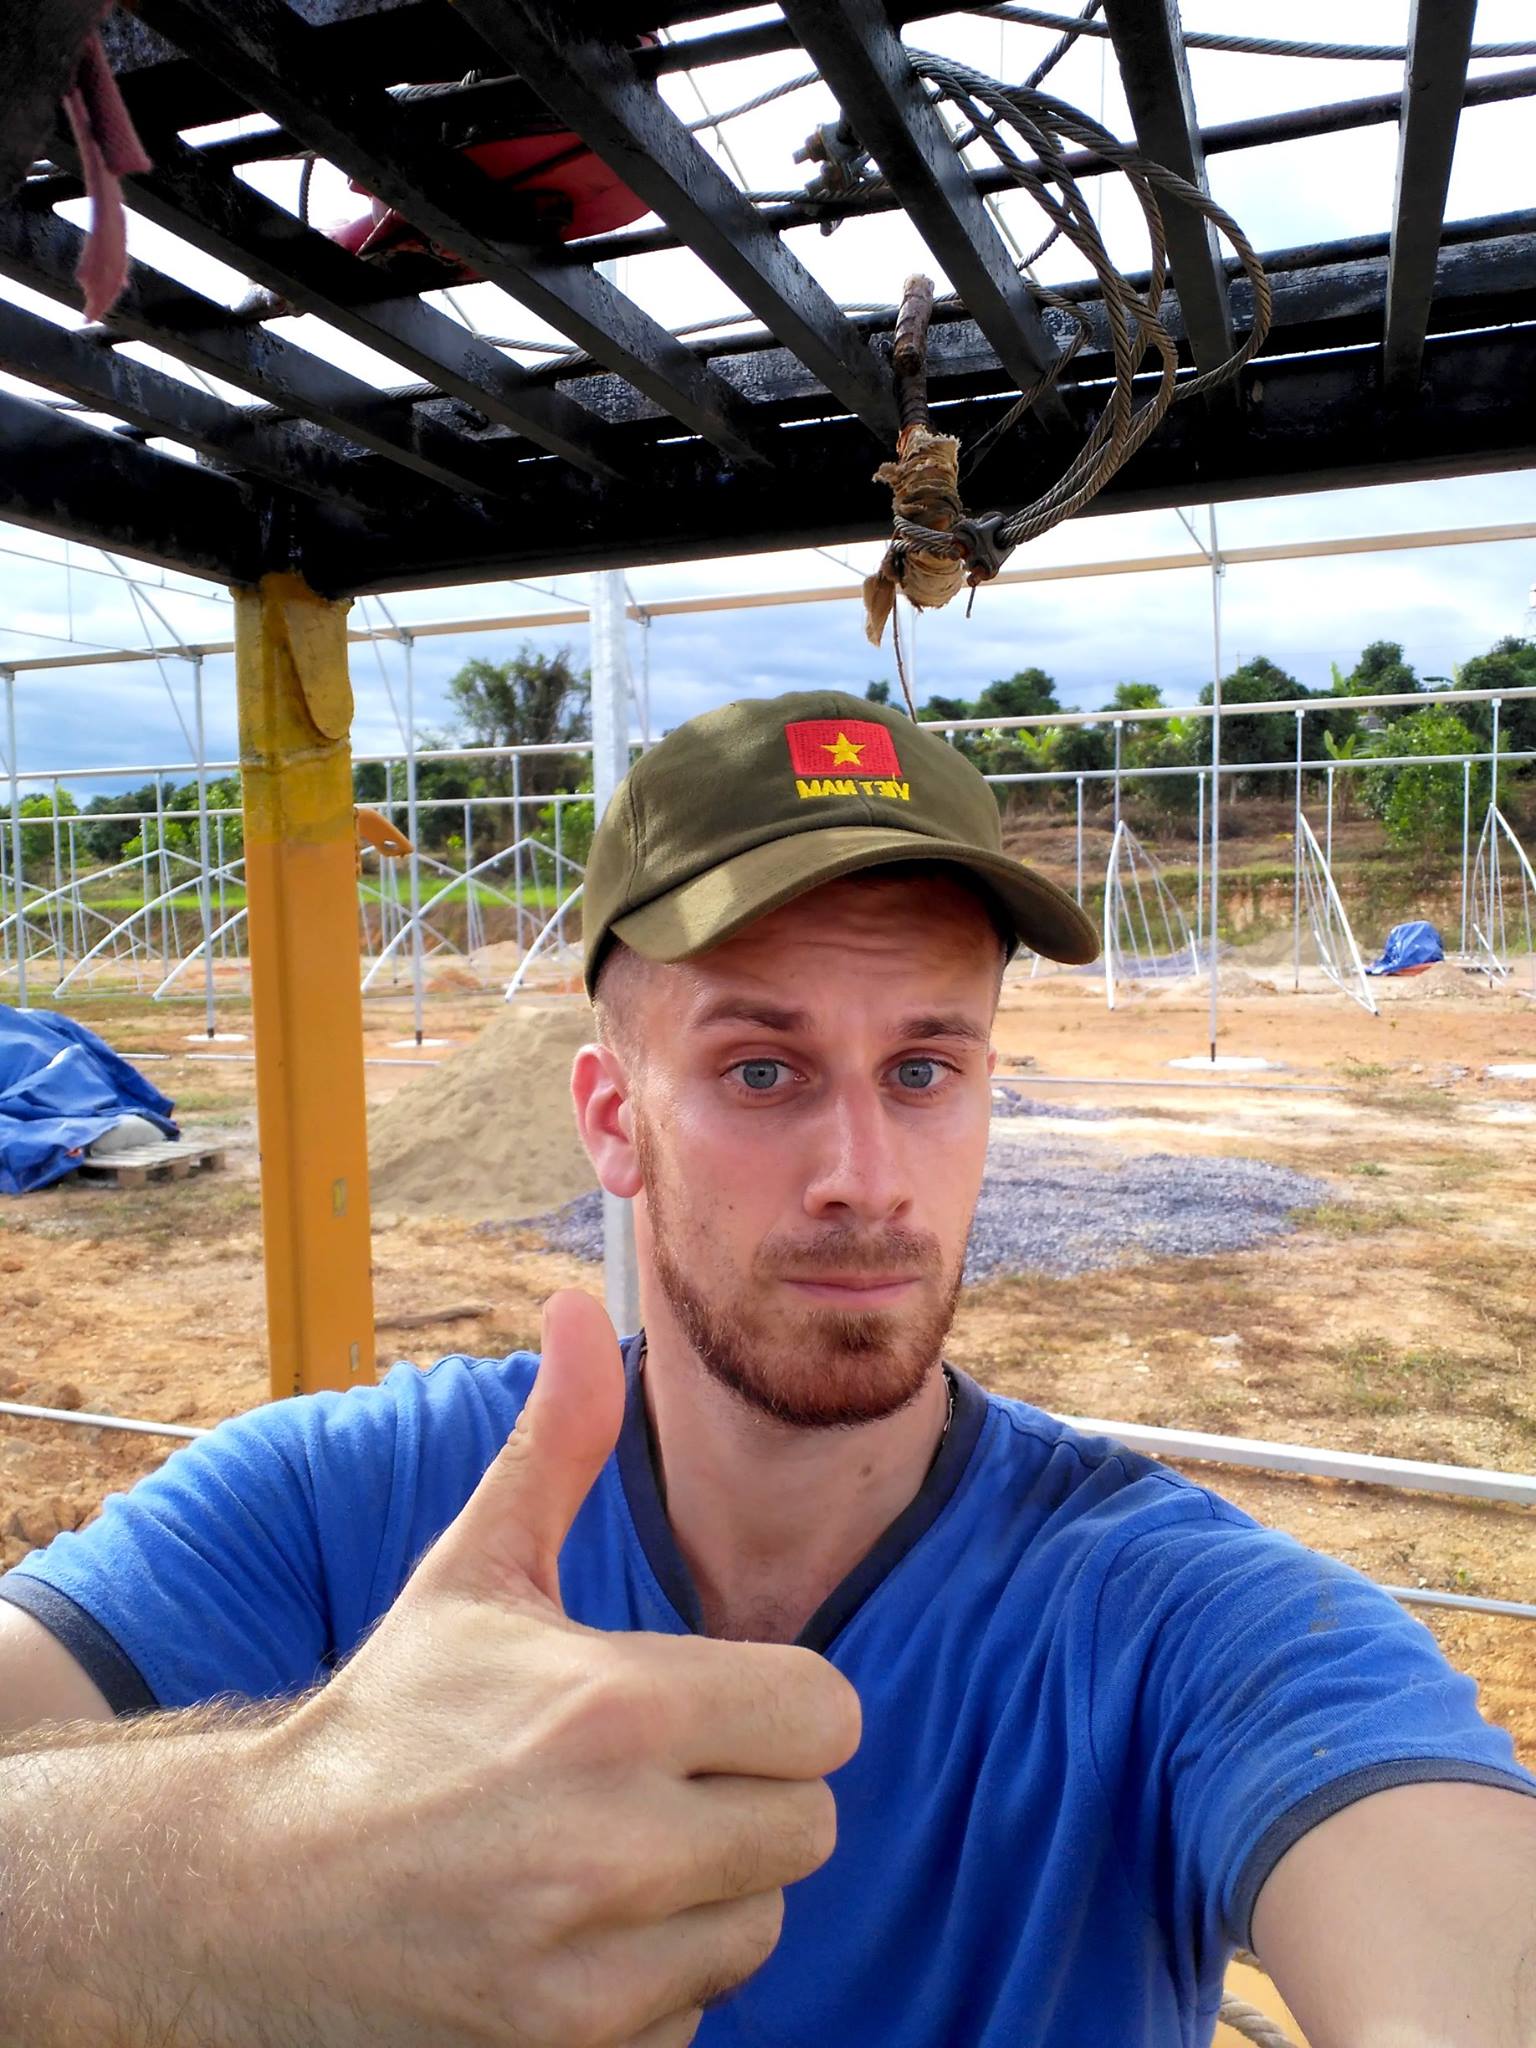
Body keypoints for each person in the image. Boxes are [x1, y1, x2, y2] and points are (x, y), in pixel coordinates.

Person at [1, 689, 1533, 2047]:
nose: (863, 1177)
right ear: (613, 1121)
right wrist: (241, 1872)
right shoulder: (339, 1511)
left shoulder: (1170, 1623)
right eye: (761, 1070)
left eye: (922, 1070)